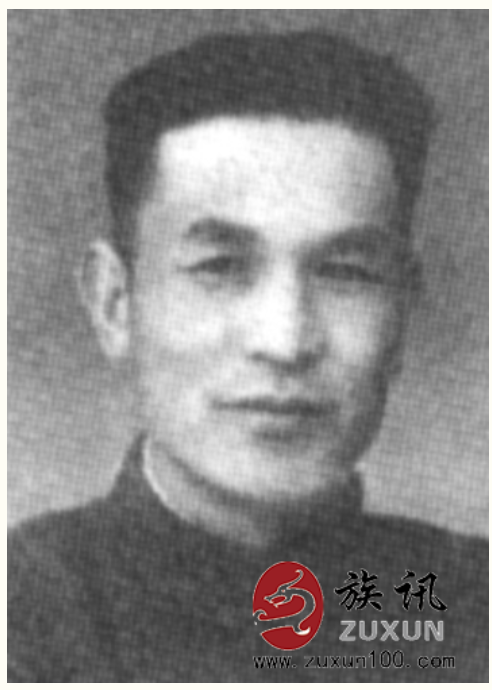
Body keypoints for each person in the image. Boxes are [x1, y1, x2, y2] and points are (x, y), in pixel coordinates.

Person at [8, 31, 488, 682]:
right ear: (115, 302)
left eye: (345, 272)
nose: (285, 342)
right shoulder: (24, 611)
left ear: (402, 314)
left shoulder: (471, 605)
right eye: (220, 266)